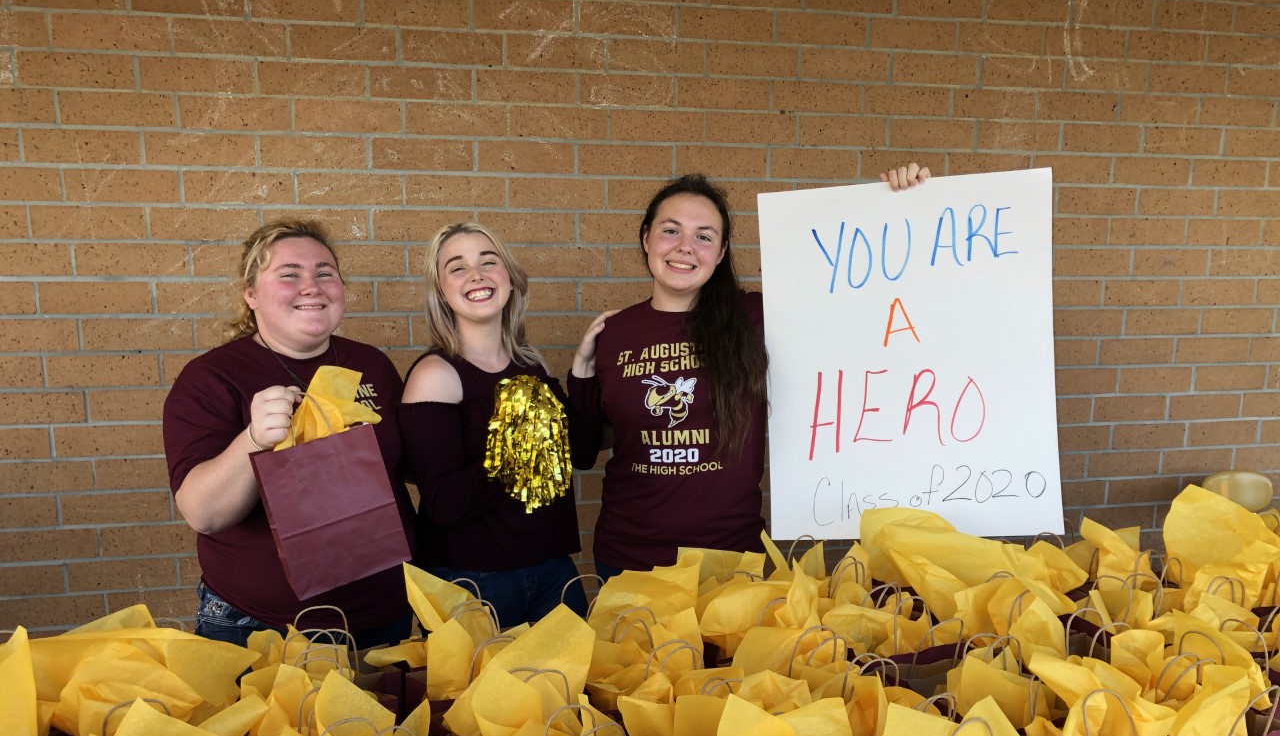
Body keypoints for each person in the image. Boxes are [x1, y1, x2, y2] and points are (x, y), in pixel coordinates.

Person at [570, 162, 931, 577]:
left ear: (720, 253)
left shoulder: (758, 318)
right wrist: (581, 369)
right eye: (671, 230)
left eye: (703, 236)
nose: (685, 246)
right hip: (628, 559)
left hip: (731, 560)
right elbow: (583, 451)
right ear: (646, 238)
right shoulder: (615, 332)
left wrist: (901, 204)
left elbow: (861, 301)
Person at [163, 220, 416, 647]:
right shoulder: (212, 377)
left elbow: (406, 466)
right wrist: (253, 440)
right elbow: (203, 514)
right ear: (250, 294)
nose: (311, 286)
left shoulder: (371, 364)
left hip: (380, 617)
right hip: (261, 628)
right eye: (289, 274)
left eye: (324, 272)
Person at [399, 222, 594, 629]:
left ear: (509, 279)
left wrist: (582, 373)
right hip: (473, 581)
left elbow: (584, 453)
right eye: (457, 267)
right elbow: (445, 506)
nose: (477, 275)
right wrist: (515, 446)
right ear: (441, 290)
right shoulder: (435, 376)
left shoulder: (531, 363)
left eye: (489, 262)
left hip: (552, 570)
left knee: (568, 690)